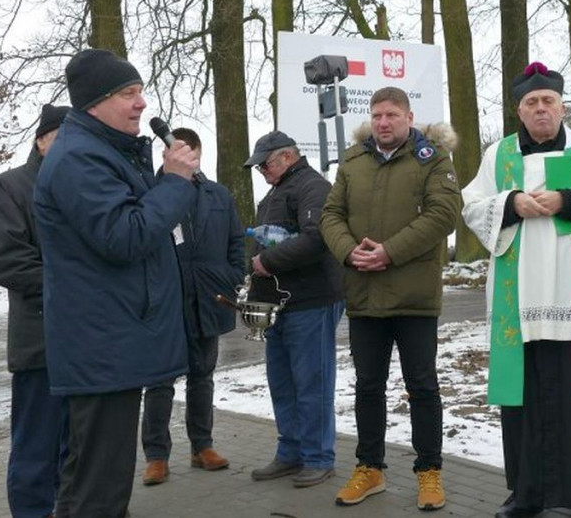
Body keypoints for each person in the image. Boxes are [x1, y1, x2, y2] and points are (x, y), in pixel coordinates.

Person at [460, 62, 571, 518]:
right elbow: (472, 204)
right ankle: (526, 494)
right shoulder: (498, 155)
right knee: (523, 399)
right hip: (517, 301)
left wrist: (569, 200)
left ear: (562, 107)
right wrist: (510, 203)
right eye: (531, 102)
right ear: (518, 110)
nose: (541, 109)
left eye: (549, 101)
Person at [33, 49, 199, 517]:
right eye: (128, 93)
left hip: (112, 343)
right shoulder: (79, 158)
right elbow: (124, 236)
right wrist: (174, 182)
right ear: (94, 103)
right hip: (104, 346)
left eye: (141, 90)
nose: (141, 102)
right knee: (99, 490)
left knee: (90, 480)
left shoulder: (101, 151)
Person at [320, 86, 461, 511]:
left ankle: (430, 472)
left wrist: (389, 252)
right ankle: (370, 468)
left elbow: (444, 215)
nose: (384, 122)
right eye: (377, 115)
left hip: (414, 298)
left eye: (392, 115)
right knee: (368, 386)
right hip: (364, 296)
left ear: (409, 117)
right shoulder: (353, 160)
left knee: (421, 387)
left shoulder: (433, 158)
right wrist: (348, 250)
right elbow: (331, 214)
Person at [0, 103, 70, 518]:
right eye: (63, 137)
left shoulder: (86, 190)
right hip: (42, 345)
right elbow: (6, 262)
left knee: (80, 450)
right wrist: (81, 288)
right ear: (42, 140)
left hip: (93, 348)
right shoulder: (7, 189)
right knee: (36, 449)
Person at [140, 127, 245, 486]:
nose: (188, 159)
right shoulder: (151, 193)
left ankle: (202, 447)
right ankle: (156, 456)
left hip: (210, 300)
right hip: (166, 305)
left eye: (193, 152)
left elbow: (235, 241)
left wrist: (232, 276)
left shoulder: (218, 195)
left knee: (202, 378)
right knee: (159, 383)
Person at [242, 129, 345, 489]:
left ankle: (318, 457)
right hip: (279, 305)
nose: (261, 172)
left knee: (312, 383)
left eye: (265, 165)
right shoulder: (275, 192)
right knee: (282, 383)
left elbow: (317, 239)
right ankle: (291, 452)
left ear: (287, 157)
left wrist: (267, 262)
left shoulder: (313, 187)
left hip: (311, 302)